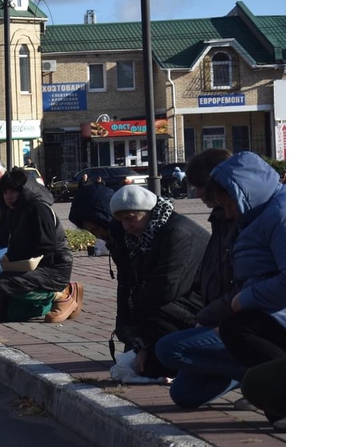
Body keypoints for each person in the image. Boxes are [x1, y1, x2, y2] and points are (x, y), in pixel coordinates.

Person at [154, 149, 243, 409]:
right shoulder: (219, 221)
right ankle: (244, 374)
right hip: (221, 317)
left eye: (204, 187)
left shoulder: (244, 223)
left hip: (245, 323)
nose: (200, 195)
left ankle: (261, 376)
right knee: (184, 395)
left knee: (169, 349)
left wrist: (209, 319)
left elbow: (246, 286)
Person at [209, 151, 285, 413]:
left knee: (237, 329)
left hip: (278, 309)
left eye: (230, 205)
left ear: (246, 194)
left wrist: (247, 298)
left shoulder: (281, 215)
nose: (229, 214)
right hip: (270, 306)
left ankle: (280, 399)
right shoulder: (260, 214)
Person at [109, 185, 207, 378]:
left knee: (150, 308)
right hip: (175, 303)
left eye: (130, 218)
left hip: (200, 305)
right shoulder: (141, 236)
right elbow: (133, 285)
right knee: (148, 365)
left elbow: (165, 290)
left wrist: (143, 343)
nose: (126, 226)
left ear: (148, 212)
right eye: (121, 221)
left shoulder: (177, 232)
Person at [0, 168, 80, 322]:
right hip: (30, 268)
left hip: (53, 267)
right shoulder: (14, 211)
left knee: (5, 283)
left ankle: (61, 295)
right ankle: (42, 302)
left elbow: (47, 245)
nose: (8, 197)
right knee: (6, 314)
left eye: (12, 191)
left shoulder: (39, 208)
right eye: (5, 192)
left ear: (23, 190)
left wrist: (19, 259)